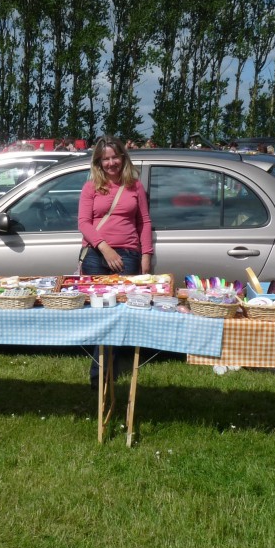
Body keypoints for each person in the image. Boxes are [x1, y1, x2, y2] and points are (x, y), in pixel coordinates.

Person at [78, 136, 154, 388]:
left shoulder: (134, 186)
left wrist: (146, 256)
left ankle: (114, 368)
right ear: (99, 162)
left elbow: (144, 222)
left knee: (121, 315)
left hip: (129, 257)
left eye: (115, 157)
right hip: (97, 257)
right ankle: (98, 376)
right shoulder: (91, 187)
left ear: (123, 157)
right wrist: (105, 248)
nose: (111, 163)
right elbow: (84, 223)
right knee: (98, 316)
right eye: (106, 158)